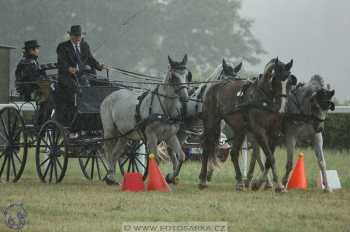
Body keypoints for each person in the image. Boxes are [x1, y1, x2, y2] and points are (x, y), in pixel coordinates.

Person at [56, 25, 105, 125]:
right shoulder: (63, 47)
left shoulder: (84, 45)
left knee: (103, 83)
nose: (78, 38)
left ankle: (97, 116)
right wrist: (69, 68)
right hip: (67, 76)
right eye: (76, 36)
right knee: (78, 89)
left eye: (79, 36)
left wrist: (100, 66)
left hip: (83, 75)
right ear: (71, 36)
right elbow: (61, 62)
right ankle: (77, 118)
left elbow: (90, 59)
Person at [15, 40, 51, 126]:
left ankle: (43, 122)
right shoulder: (27, 62)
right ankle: (40, 123)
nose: (38, 51)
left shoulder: (32, 61)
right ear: (31, 50)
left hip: (34, 89)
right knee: (48, 101)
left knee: (51, 100)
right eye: (37, 49)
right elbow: (33, 78)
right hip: (29, 91)